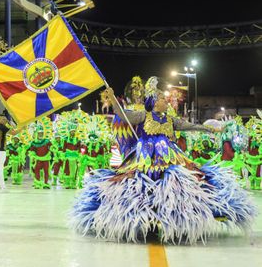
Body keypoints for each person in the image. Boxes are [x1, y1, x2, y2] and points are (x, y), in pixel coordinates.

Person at [71, 76, 256, 244]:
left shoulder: (170, 119)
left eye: (164, 99)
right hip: (144, 158)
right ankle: (144, 220)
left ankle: (177, 219)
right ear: (153, 102)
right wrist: (112, 98)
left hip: (171, 156)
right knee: (142, 186)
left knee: (178, 184)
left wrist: (210, 129)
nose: (165, 101)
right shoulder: (143, 115)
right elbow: (123, 115)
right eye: (161, 99)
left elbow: (190, 126)